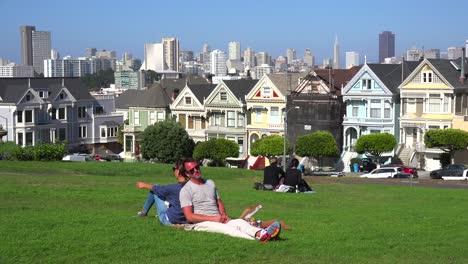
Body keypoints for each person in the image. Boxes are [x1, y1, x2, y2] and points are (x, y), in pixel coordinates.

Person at [179, 158, 281, 242]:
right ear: (187, 174)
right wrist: (214, 219)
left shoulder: (210, 183)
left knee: (240, 223)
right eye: (192, 170)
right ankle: (258, 240)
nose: (196, 170)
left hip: (219, 218)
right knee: (229, 230)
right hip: (202, 223)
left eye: (197, 167)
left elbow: (219, 202)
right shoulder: (186, 190)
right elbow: (189, 217)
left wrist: (223, 215)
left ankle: (261, 233)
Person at [136, 159, 188, 225]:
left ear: (178, 171)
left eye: (174, 169)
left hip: (169, 221)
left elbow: (156, 189)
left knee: (155, 188)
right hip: (187, 220)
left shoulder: (173, 188)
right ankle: (143, 213)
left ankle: (143, 213)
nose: (173, 171)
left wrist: (143, 185)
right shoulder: (192, 187)